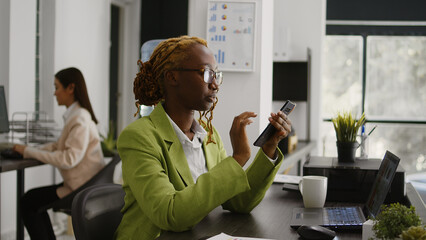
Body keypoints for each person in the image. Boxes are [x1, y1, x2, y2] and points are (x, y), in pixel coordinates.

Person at [115, 36, 292, 240]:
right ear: (172, 77)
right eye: (207, 73)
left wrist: (269, 148)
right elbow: (170, 214)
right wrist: (238, 158)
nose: (215, 84)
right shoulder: (139, 137)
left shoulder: (208, 135)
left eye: (217, 75)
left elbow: (238, 202)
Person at [13, 67, 105, 240]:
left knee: (29, 202)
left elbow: (68, 159)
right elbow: (58, 146)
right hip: (82, 183)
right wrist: (29, 150)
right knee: (31, 201)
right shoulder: (76, 115)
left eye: (57, 87)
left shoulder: (79, 118)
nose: (54, 93)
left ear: (70, 88)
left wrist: (28, 151)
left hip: (81, 188)